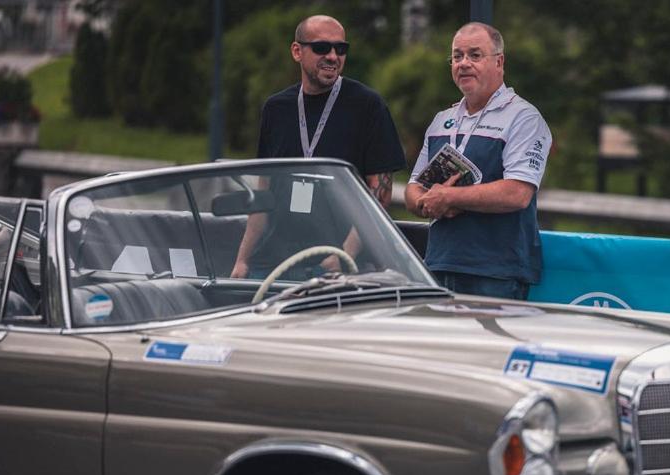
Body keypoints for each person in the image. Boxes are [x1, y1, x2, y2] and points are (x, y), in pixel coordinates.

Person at [231, 14, 405, 279]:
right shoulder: (276, 108)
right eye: (322, 48)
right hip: (274, 262)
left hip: (338, 265)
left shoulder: (368, 106)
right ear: (297, 51)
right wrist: (242, 259)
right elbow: (263, 191)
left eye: (341, 49)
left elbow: (379, 195)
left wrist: (343, 255)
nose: (333, 56)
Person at [404, 22, 551, 300]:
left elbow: (518, 193)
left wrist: (450, 197)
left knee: (487, 346)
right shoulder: (441, 121)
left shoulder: (524, 117)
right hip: (438, 263)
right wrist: (427, 204)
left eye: (474, 55)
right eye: (457, 56)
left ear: (499, 62)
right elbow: (413, 189)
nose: (464, 64)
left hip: (495, 271)